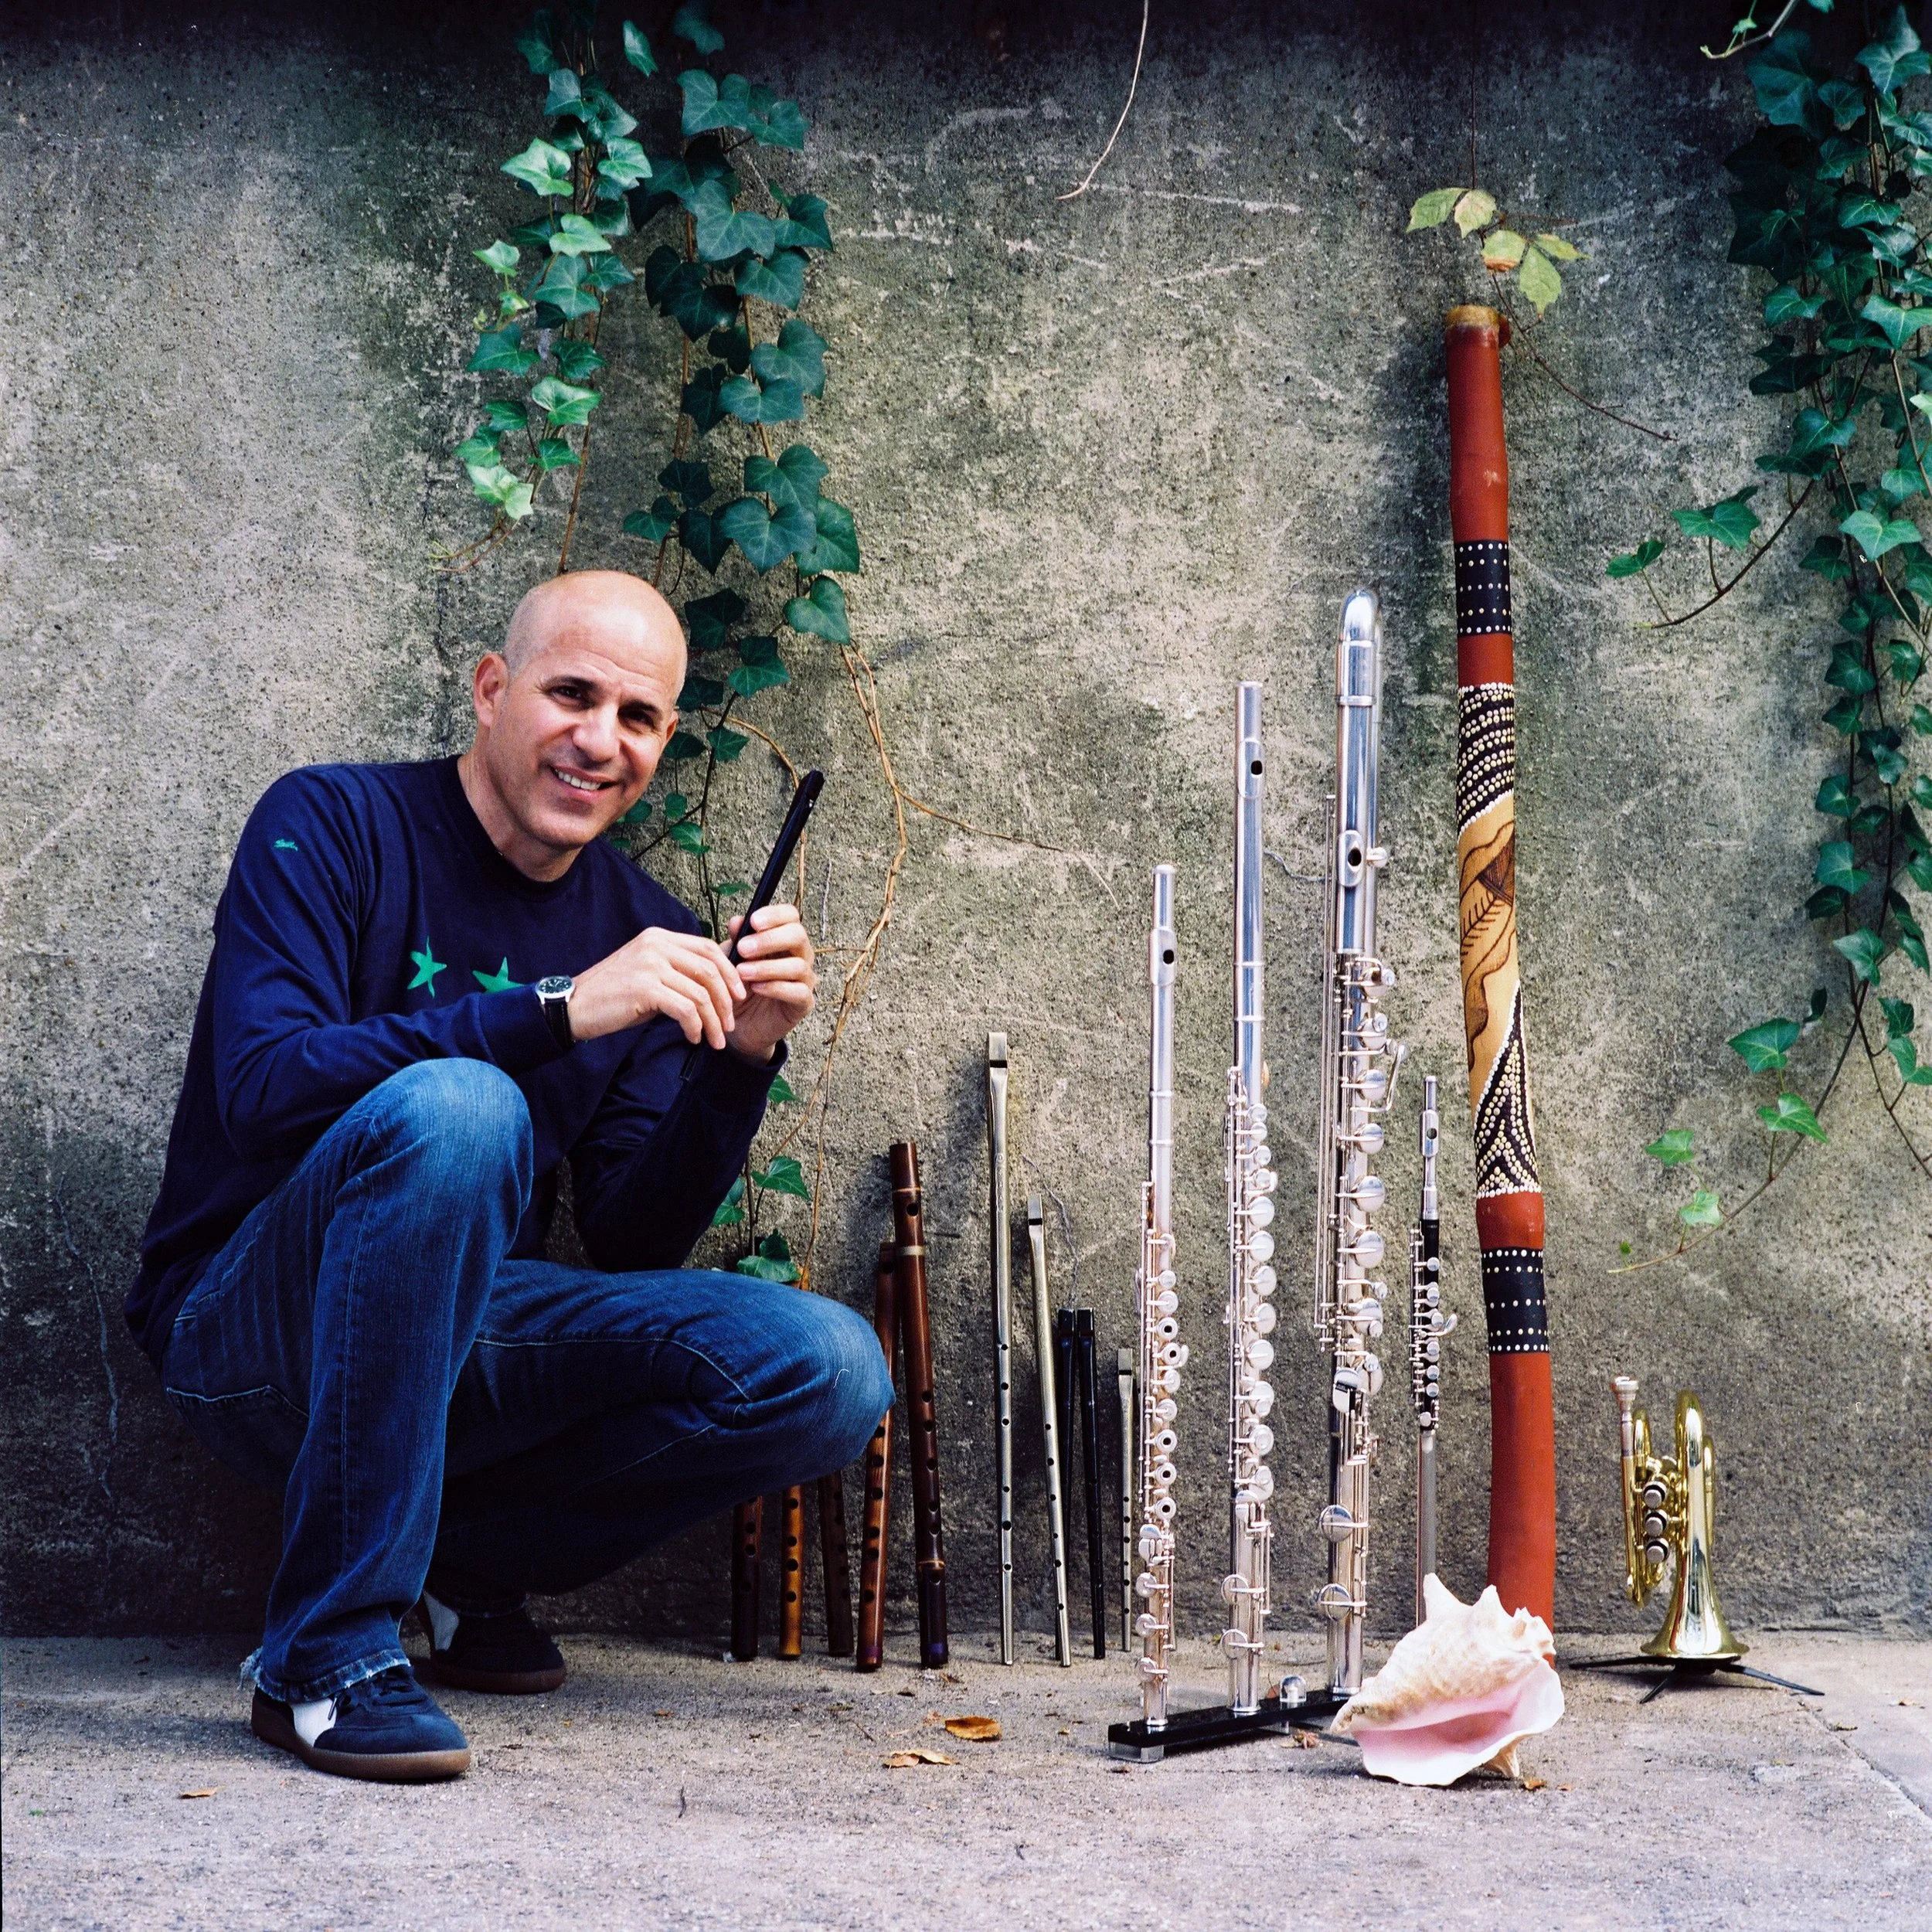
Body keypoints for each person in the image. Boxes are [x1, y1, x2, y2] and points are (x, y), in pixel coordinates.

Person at [123, 570, 890, 1784]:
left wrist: (740, 1062)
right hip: (247, 1333)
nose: (601, 740)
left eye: (638, 717)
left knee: (831, 1368)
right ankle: (323, 1653)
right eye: (570, 694)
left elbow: (633, 1242)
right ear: (491, 690)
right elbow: (262, 1087)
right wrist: (555, 1008)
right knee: (463, 1108)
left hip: (465, 1338)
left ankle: (462, 1558)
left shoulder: (645, 930)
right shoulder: (329, 822)